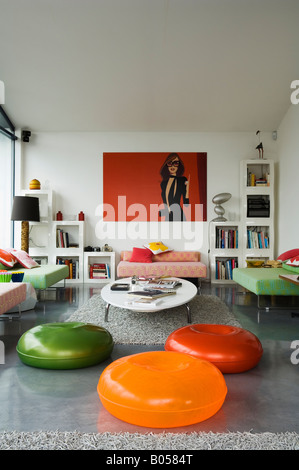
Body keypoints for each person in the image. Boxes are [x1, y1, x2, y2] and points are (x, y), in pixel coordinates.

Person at [159, 153, 190, 221]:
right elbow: (166, 203)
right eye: (170, 163)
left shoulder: (182, 180)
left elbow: (186, 204)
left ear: (179, 165)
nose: (172, 166)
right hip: (168, 217)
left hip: (179, 215)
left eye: (176, 163)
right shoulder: (163, 183)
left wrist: (187, 189)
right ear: (166, 165)